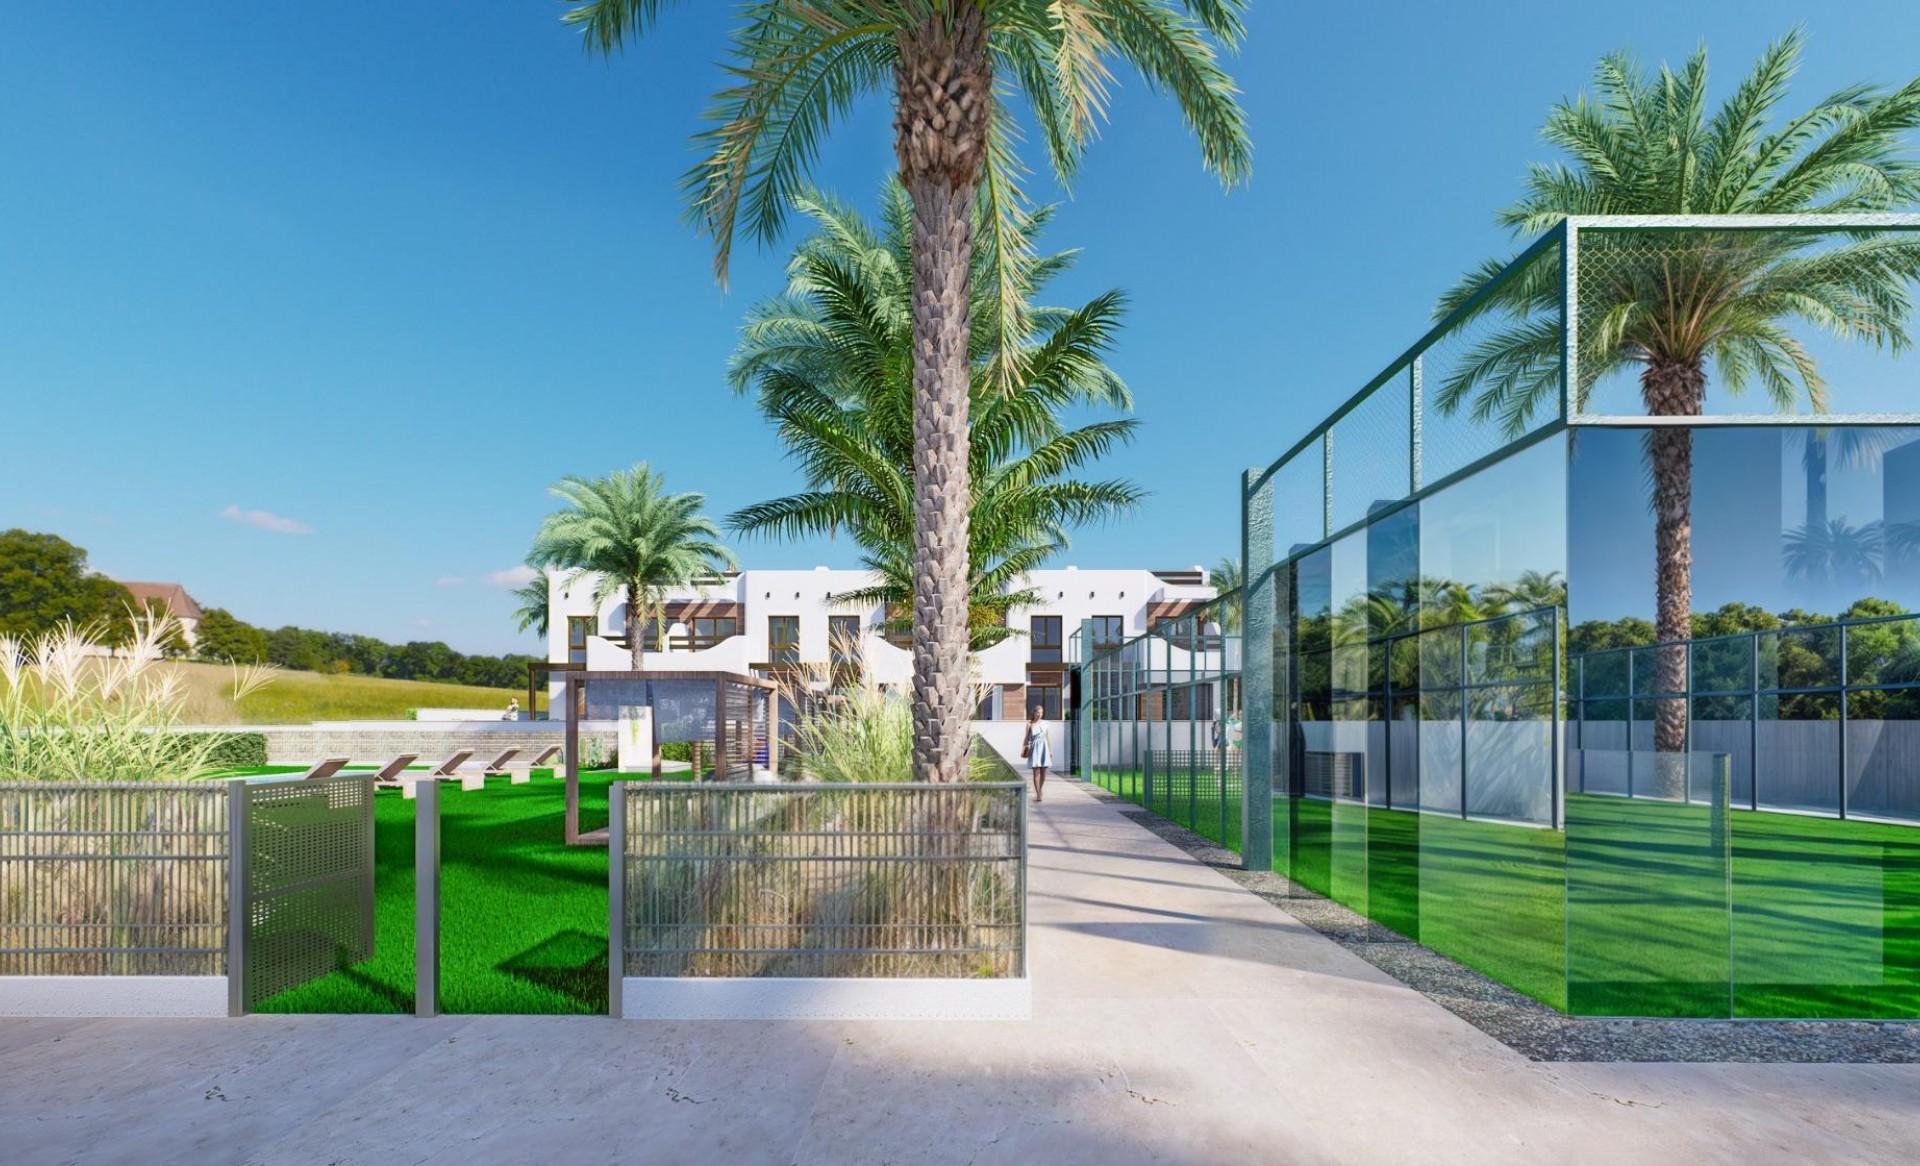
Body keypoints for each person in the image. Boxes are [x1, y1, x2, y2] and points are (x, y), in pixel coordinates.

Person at [1022, 704, 1052, 803]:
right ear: (1034, 713)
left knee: (1043, 773)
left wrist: (1050, 750)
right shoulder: (1029, 724)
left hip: (1044, 748)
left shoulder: (1045, 723)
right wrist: (1025, 747)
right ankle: (1038, 794)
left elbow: (1047, 737)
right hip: (1035, 748)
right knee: (1036, 771)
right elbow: (1026, 737)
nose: (1039, 714)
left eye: (1041, 713)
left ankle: (1039, 790)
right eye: (1038, 712)